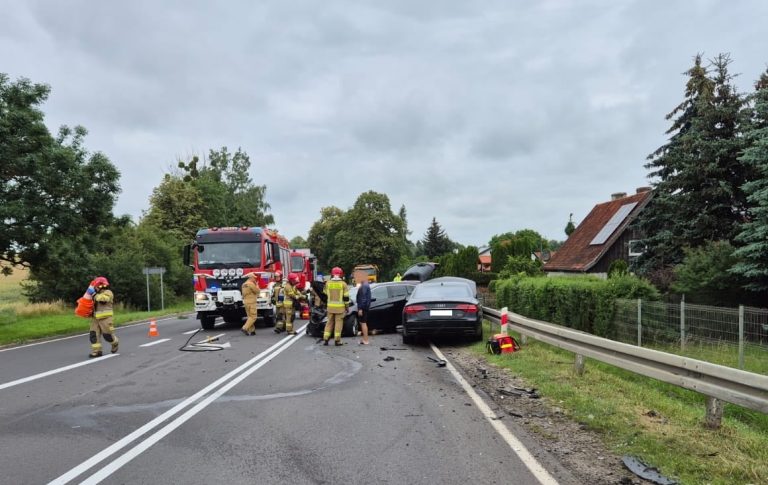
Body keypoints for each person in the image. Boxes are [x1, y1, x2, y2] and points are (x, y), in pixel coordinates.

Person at [88, 277, 118, 358]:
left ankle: (115, 343)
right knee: (94, 335)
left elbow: (103, 299)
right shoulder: (95, 294)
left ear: (100, 286)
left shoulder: (108, 292)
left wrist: (94, 295)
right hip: (95, 319)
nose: (95, 288)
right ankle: (97, 351)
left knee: (107, 336)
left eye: (96, 286)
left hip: (106, 319)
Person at [323, 266, 349, 346]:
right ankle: (337, 341)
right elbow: (346, 298)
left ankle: (326, 339)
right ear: (341, 275)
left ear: (332, 274)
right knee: (338, 324)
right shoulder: (343, 284)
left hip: (330, 308)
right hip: (340, 309)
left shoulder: (328, 283)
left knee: (329, 323)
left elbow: (325, 294)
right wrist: (347, 307)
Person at [356, 271, 371, 345]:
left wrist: (360, 309)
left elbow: (363, 298)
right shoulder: (365, 285)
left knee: (363, 323)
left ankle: (366, 340)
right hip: (365, 307)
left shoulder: (364, 286)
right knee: (362, 323)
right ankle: (364, 339)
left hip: (363, 307)